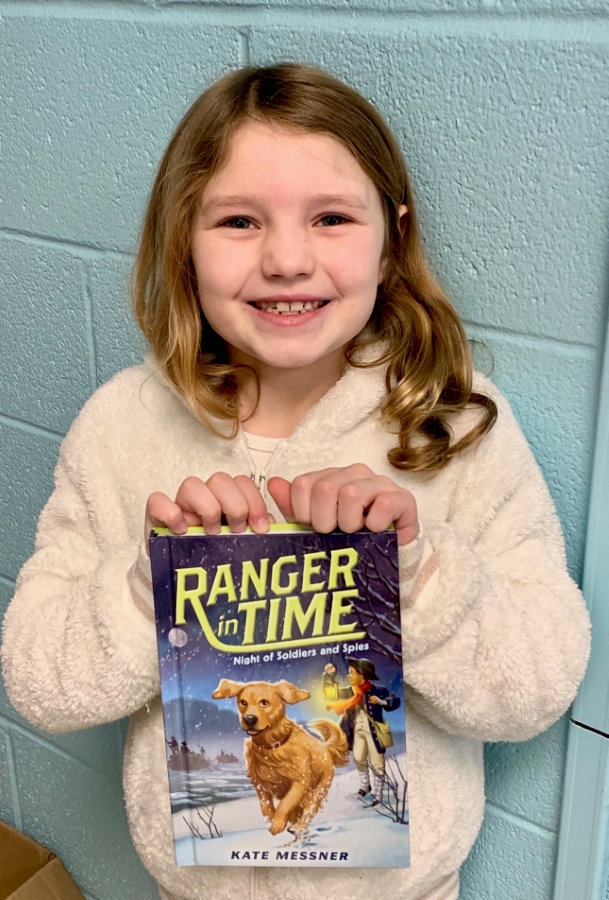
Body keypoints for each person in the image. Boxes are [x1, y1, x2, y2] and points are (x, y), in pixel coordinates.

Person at [0, 63, 590, 900]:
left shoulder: (451, 426)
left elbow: (535, 687)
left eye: (331, 218)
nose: (285, 259)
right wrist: (146, 589)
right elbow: (38, 683)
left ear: (392, 240)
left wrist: (415, 581)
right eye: (239, 220)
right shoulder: (120, 429)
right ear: (183, 241)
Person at [326, 658, 401, 805]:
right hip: (357, 732)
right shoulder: (351, 692)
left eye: (352, 673)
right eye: (348, 673)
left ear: (362, 674)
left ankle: (378, 794)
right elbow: (331, 694)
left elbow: (395, 701)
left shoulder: (379, 690)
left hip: (374, 732)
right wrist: (330, 677)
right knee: (359, 758)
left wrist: (381, 702)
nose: (348, 676)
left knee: (377, 763)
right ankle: (365, 786)